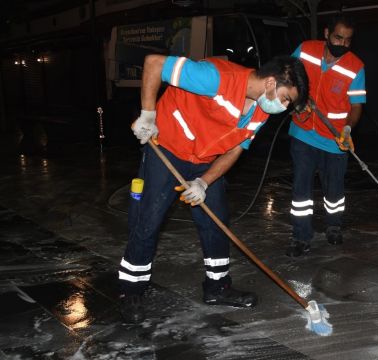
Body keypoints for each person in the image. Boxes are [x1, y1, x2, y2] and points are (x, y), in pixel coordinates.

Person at [118, 54, 309, 323]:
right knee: (149, 218)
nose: (285, 106)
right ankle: (131, 290)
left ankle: (217, 287)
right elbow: (153, 64)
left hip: (205, 160)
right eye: (286, 98)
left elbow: (235, 149)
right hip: (169, 147)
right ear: (270, 83)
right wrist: (148, 115)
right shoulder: (216, 78)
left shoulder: (261, 111)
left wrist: (204, 181)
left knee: (216, 220)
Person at [286, 15, 366, 257]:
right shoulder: (306, 50)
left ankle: (334, 225)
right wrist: (298, 99)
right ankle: (301, 237)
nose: (341, 44)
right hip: (302, 134)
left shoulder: (356, 66)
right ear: (326, 33)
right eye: (338, 37)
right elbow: (288, 78)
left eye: (347, 41)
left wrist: (348, 129)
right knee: (301, 191)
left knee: (334, 190)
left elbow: (357, 105)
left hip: (334, 140)